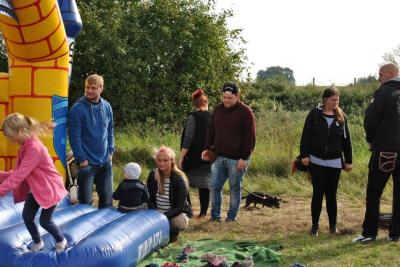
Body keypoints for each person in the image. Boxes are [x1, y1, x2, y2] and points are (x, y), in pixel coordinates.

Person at [0, 113, 68, 252]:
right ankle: (38, 242)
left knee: (45, 221)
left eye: (11, 136)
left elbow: (19, 175)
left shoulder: (33, 149)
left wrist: (1, 190)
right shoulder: (26, 145)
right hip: (37, 189)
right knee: (27, 216)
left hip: (50, 188)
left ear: (20, 131)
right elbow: (17, 172)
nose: (11, 140)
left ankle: (61, 239)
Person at [353, 63, 400, 243]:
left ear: (389, 74)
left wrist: (372, 140)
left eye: (380, 74)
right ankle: (395, 234)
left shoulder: (383, 92)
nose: (378, 77)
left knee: (374, 191)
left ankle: (369, 233)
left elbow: (370, 120)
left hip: (385, 149)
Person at [299, 87, 353, 236]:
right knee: (318, 193)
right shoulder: (314, 115)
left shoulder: (341, 117)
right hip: (316, 161)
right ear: (325, 99)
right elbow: (305, 136)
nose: (335, 102)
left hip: (335, 162)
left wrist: (348, 161)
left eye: (337, 100)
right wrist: (304, 155)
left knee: (331, 194)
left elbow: (347, 140)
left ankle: (333, 226)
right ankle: (315, 226)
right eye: (332, 100)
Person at [202, 83, 256, 222]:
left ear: (237, 96)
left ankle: (231, 217)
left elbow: (250, 138)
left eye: (230, 98)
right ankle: (215, 216)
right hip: (218, 156)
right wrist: (207, 148)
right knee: (214, 186)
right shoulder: (218, 110)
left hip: (237, 159)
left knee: (234, 189)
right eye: (224, 97)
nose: (226, 100)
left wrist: (244, 158)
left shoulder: (246, 112)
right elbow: (211, 131)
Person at [68, 74, 114, 208]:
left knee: (107, 201)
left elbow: (110, 130)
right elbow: (74, 137)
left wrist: (111, 151)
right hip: (86, 164)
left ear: (101, 88)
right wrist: (82, 160)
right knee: (85, 204)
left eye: (93, 88)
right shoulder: (77, 109)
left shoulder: (107, 106)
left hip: (105, 162)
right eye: (87, 87)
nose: (89, 90)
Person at [147, 146, 193, 243]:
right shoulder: (152, 175)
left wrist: (163, 217)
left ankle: (171, 236)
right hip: (158, 211)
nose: (161, 163)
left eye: (165, 160)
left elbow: (179, 207)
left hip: (176, 214)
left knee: (175, 225)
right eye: (159, 160)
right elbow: (149, 198)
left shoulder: (180, 179)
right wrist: (155, 212)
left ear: (171, 161)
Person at [179, 88, 212, 218]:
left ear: (195, 103)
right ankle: (203, 213)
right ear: (206, 102)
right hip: (207, 156)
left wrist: (181, 157)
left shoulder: (193, 116)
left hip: (193, 157)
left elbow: (188, 138)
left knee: (184, 182)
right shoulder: (212, 116)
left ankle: (189, 210)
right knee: (205, 185)